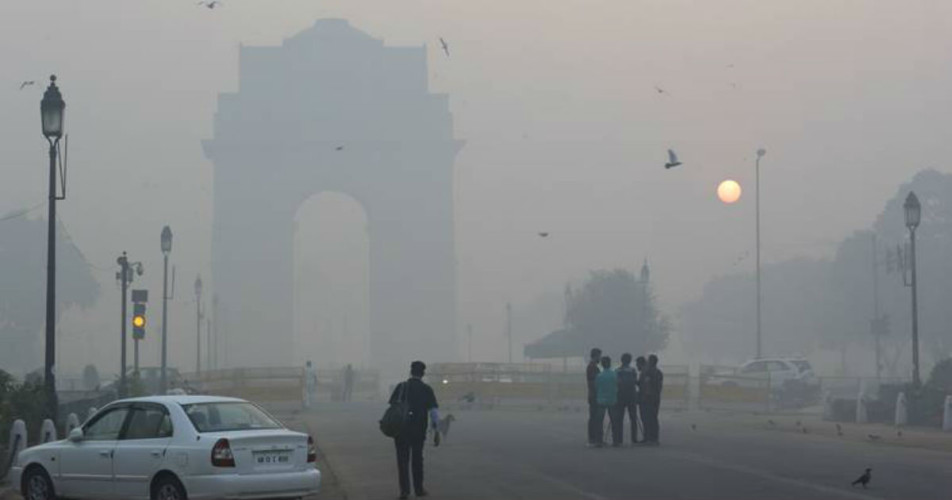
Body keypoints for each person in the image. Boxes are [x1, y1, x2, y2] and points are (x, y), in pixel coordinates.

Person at [388, 361, 440, 499]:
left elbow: (392, 407)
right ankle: (419, 489)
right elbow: (434, 412)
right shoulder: (427, 389)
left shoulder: (401, 387)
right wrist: (436, 432)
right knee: (417, 460)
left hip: (400, 430)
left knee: (402, 460)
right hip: (418, 430)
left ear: (410, 372)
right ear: (423, 373)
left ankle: (404, 491)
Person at [613, 353, 639, 445]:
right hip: (631, 396)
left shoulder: (617, 371)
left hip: (620, 396)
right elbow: (636, 382)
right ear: (630, 360)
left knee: (619, 418)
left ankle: (618, 439)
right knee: (633, 418)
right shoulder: (633, 371)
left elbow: (616, 383)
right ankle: (634, 438)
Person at [594, 356, 618, 447]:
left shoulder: (599, 376)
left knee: (599, 421)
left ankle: (599, 440)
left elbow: (596, 387)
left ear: (602, 364)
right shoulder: (614, 375)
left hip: (601, 400)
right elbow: (617, 385)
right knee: (614, 421)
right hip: (612, 400)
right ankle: (616, 440)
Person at [640, 354, 664, 445]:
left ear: (650, 362)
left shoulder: (648, 372)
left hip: (648, 398)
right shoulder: (659, 372)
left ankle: (648, 437)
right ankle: (654, 438)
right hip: (656, 398)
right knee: (654, 418)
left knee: (647, 418)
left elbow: (647, 385)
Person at [586, 348, 603, 446]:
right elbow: (593, 383)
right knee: (594, 417)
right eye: (599, 356)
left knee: (594, 417)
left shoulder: (592, 366)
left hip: (593, 395)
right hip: (594, 396)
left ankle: (594, 438)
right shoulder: (593, 367)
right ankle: (593, 438)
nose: (600, 358)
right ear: (596, 356)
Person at [634, 356, 647, 442]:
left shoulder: (644, 373)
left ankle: (647, 437)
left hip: (645, 399)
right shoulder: (644, 372)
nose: (636, 366)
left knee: (645, 418)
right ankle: (648, 437)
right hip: (645, 398)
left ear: (640, 364)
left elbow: (644, 386)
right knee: (646, 418)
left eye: (637, 364)